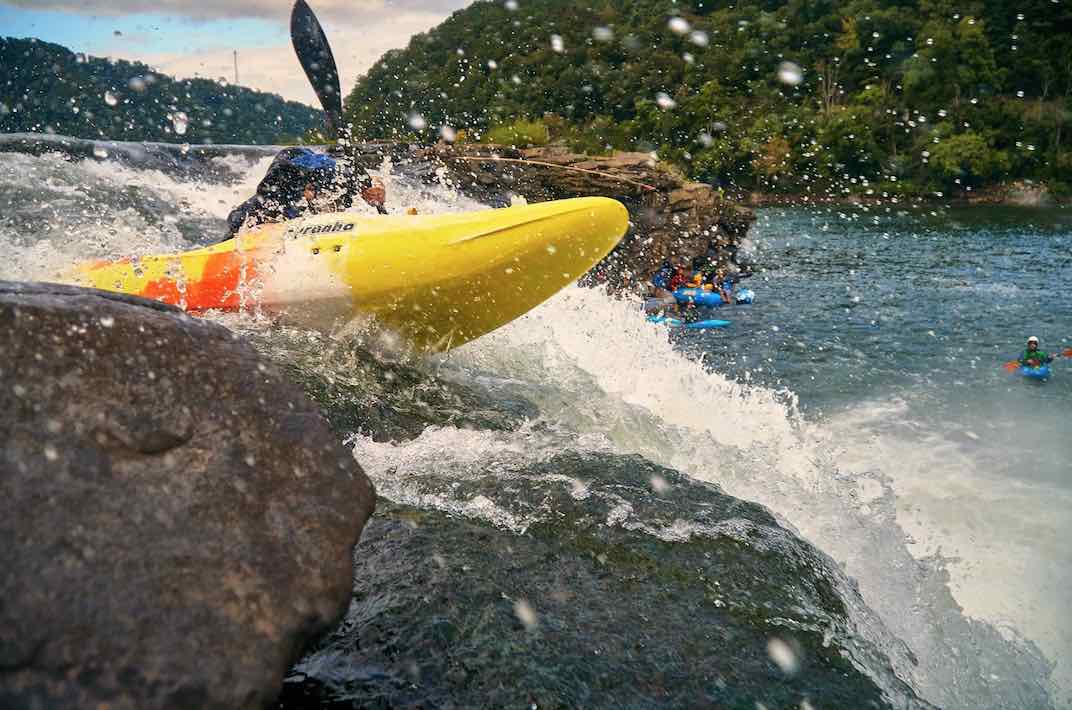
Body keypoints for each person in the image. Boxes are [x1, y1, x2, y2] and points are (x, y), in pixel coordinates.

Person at [226, 146, 386, 237]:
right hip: (287, 165)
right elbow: (235, 220)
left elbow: (367, 177)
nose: (308, 195)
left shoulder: (330, 177)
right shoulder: (275, 197)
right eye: (305, 190)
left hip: (306, 163)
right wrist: (263, 227)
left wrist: (377, 188)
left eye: (310, 189)